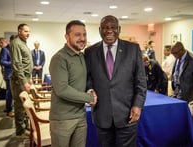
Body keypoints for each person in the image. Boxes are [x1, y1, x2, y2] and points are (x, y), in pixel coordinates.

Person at [84, 15, 147, 147]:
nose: (109, 31)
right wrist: (89, 90)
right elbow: (88, 77)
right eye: (105, 28)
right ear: (100, 29)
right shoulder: (89, 52)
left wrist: (138, 105)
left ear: (119, 29)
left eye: (113, 27)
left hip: (127, 114)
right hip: (101, 115)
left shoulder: (133, 49)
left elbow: (140, 81)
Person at [49, 20, 97, 147]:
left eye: (84, 34)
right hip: (62, 119)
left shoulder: (81, 56)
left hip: (80, 115)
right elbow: (62, 89)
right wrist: (89, 98)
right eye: (77, 35)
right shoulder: (59, 58)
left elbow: (83, 80)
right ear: (67, 37)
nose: (82, 38)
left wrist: (90, 89)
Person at [9, 23, 33, 138]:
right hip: (19, 80)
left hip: (26, 78)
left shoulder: (23, 43)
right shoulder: (16, 43)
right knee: (19, 106)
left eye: (29, 32)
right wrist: (24, 81)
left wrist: (30, 78)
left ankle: (26, 126)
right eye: (25, 31)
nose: (28, 34)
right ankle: (20, 131)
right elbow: (17, 64)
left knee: (25, 106)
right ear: (19, 31)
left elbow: (26, 62)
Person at [0, 37, 14, 117]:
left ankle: (9, 108)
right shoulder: (4, 50)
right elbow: (2, 62)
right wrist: (13, 63)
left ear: (6, 42)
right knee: (9, 93)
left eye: (1, 42)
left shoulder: (9, 49)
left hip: (10, 74)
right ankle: (9, 110)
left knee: (10, 93)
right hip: (9, 74)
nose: (0, 45)